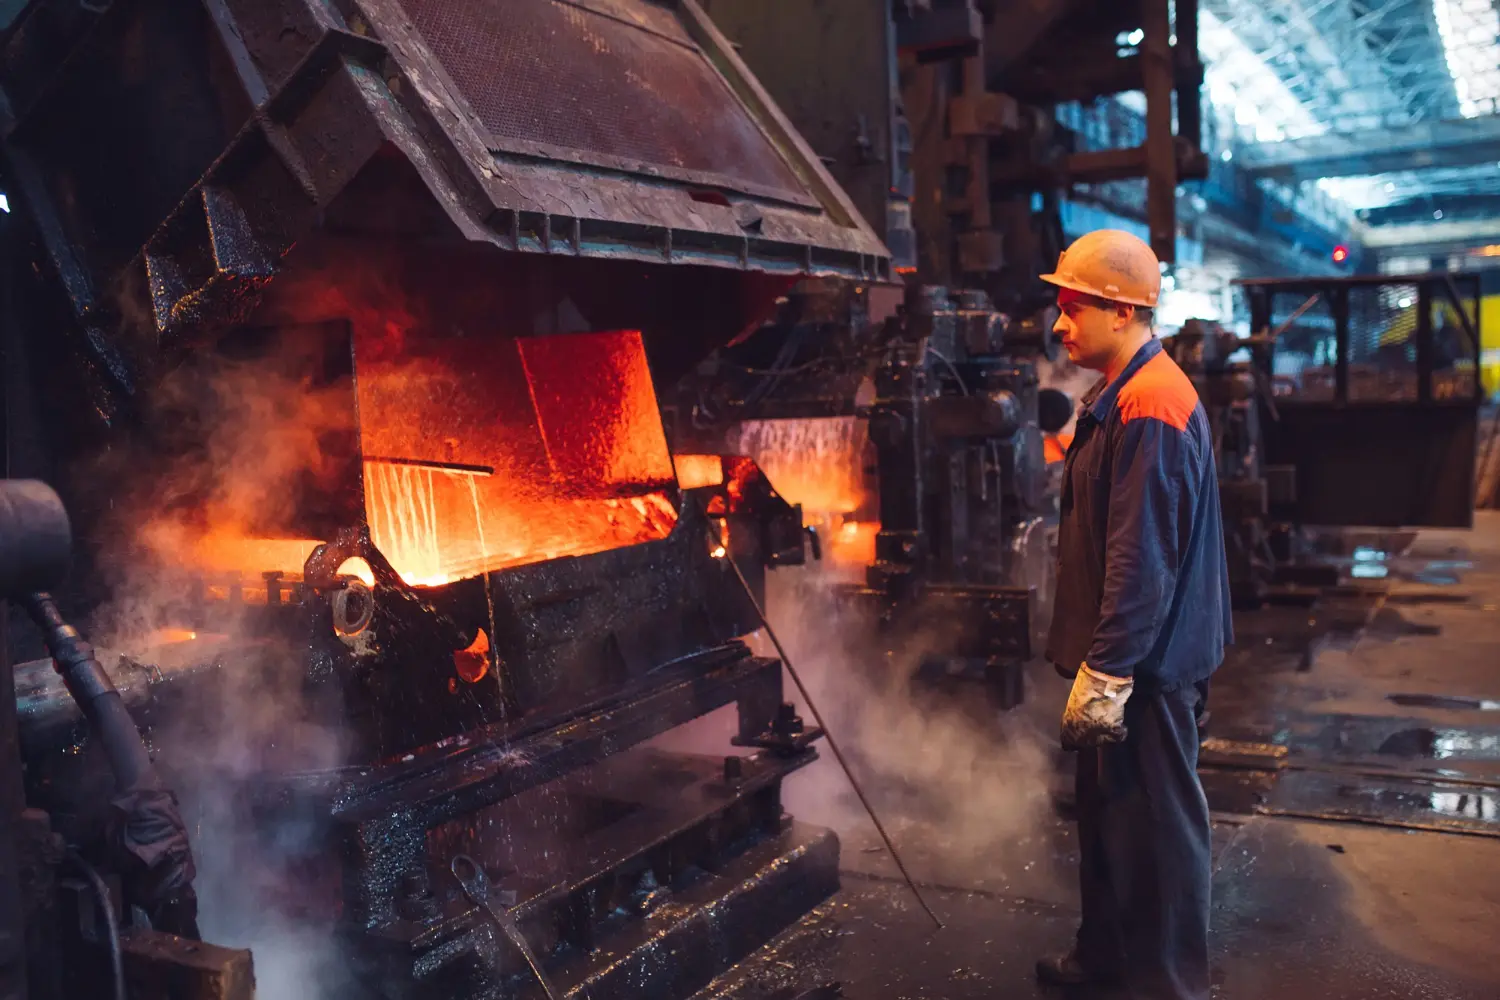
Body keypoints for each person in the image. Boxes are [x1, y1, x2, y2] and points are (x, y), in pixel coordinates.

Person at [1033, 229, 1233, 1000]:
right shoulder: (1124, 393)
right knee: (1109, 817)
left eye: (1072, 307)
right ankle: (1107, 957)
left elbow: (1141, 565)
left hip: (1144, 667)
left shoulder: (1150, 406)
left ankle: (1167, 985)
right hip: (1119, 660)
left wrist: (1110, 673)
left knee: (1154, 829)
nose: (1059, 325)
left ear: (1121, 312)